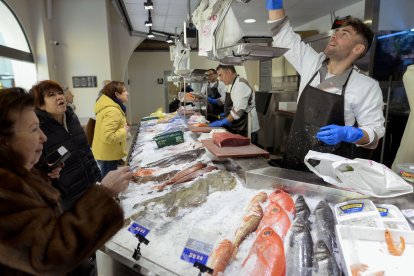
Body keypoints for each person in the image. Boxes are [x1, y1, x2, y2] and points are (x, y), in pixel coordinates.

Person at [0, 87, 132, 275]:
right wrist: (104, 194)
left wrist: (44, 176)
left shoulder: (20, 173)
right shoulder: (5, 194)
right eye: (34, 129)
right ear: (4, 141)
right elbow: (50, 254)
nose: (43, 137)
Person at [266, 0, 385, 171]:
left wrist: (352, 134)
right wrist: (275, 4)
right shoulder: (311, 63)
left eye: (345, 34)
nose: (334, 35)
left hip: (332, 173)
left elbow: (374, 134)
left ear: (358, 48)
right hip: (294, 162)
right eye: (336, 31)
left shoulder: (366, 86)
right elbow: (282, 34)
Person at [30, 80, 102, 211]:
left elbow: (86, 150)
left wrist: (98, 177)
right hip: (68, 198)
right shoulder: (39, 130)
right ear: (41, 105)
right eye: (51, 95)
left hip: (91, 185)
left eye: (60, 92)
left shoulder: (71, 117)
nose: (59, 97)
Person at [209, 64, 260, 140]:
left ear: (229, 72)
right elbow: (227, 99)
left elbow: (238, 112)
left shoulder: (240, 84)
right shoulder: (232, 83)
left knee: (247, 148)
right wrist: (226, 113)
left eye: (220, 75)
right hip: (239, 122)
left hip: (247, 124)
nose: (220, 79)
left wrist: (223, 121)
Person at [92, 81, 129, 177]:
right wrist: (124, 131)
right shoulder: (112, 111)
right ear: (117, 94)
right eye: (124, 91)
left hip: (107, 152)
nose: (127, 93)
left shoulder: (112, 108)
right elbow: (108, 136)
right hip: (107, 154)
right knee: (109, 184)